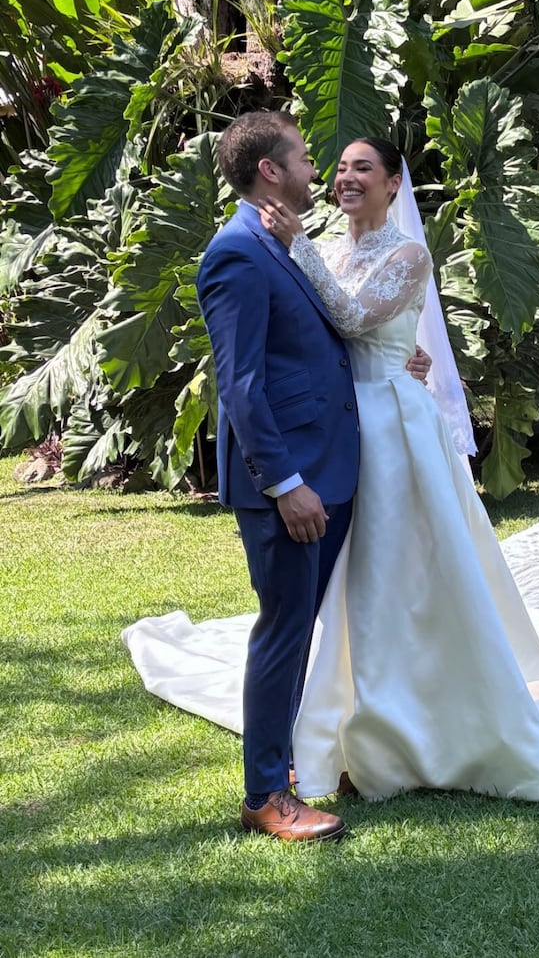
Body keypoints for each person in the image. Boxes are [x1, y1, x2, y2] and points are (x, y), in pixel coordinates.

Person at [257, 137, 539, 804]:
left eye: (362, 168)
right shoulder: (331, 250)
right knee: (357, 578)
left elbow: (351, 315)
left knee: (411, 572)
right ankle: (354, 715)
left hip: (395, 429)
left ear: (394, 184)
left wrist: (297, 244)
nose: (345, 177)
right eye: (338, 167)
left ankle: (432, 714)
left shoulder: (408, 254)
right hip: (344, 425)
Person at [195, 112, 430, 843]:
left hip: (331, 468)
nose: (317, 171)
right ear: (271, 170)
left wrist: (404, 361)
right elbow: (241, 385)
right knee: (285, 630)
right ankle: (267, 793)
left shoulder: (284, 245)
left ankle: (295, 765)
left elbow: (337, 331)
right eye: (303, 157)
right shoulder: (237, 252)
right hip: (291, 482)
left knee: (311, 630)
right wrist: (283, 482)